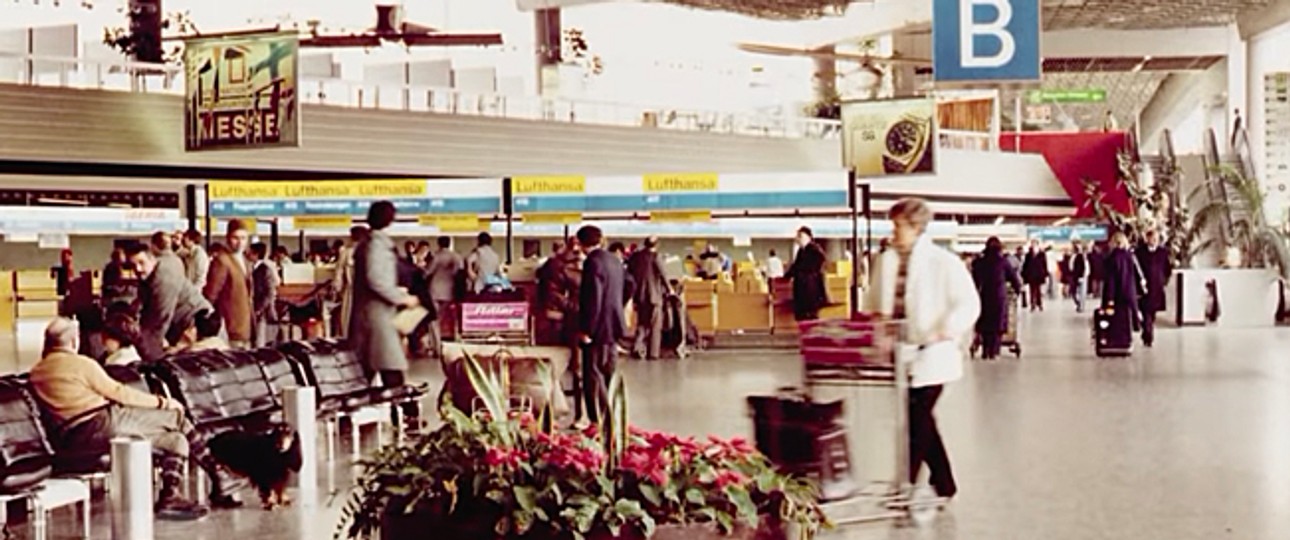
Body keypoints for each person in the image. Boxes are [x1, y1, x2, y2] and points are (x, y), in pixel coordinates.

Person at [29, 318, 241, 520]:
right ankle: (219, 475)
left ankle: (170, 496)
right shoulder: (81, 364)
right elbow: (119, 393)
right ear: (73, 341)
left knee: (176, 440)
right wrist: (163, 403)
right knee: (176, 416)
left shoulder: (37, 371)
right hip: (102, 422)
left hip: (74, 436)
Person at [866, 197, 979, 502]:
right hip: (901, 355)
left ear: (916, 227)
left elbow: (969, 303)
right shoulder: (886, 261)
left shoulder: (943, 262)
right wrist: (879, 328)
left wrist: (948, 328)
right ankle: (940, 483)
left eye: (899, 225)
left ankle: (907, 484)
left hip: (934, 352)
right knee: (917, 419)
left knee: (917, 418)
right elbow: (876, 304)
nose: (894, 231)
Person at [350, 202, 420, 425]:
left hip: (371, 316)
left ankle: (401, 415)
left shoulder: (368, 243)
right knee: (389, 367)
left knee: (367, 370)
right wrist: (402, 298)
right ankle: (407, 416)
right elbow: (376, 280)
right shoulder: (377, 246)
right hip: (377, 317)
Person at [127, 242, 213, 361]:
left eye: (142, 263)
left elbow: (159, 320)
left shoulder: (163, 279)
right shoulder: (148, 278)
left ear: (152, 260)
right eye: (133, 265)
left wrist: (149, 358)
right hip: (185, 327)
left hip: (200, 327)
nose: (137, 269)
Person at [577, 225, 627, 425]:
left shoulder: (592, 263)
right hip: (613, 326)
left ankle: (597, 420)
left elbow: (592, 298)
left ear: (580, 243)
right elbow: (629, 284)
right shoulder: (614, 260)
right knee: (609, 373)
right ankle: (612, 415)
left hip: (597, 328)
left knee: (593, 375)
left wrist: (587, 329)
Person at [203, 220, 254, 349]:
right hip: (230, 327)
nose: (240, 242)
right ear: (227, 238)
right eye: (235, 238)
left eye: (243, 238)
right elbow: (211, 294)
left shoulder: (245, 261)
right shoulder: (222, 260)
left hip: (246, 326)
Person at [971, 237, 1022, 360]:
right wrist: (1018, 290)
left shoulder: (980, 262)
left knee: (985, 323)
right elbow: (1014, 278)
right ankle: (994, 351)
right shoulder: (1003, 262)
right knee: (997, 325)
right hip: (999, 295)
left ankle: (985, 350)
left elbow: (975, 278)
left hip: (984, 295)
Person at [627, 236, 669, 361]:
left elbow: (629, 273)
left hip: (639, 295)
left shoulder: (635, 257)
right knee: (655, 324)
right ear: (657, 245)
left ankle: (637, 348)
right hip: (654, 295)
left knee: (642, 323)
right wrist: (670, 289)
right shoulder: (656, 257)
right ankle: (653, 353)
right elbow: (663, 275)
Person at [425, 236, 464, 358]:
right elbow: (461, 273)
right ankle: (442, 345)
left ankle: (437, 348)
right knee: (441, 319)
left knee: (433, 320)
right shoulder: (456, 257)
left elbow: (427, 272)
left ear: (439, 244)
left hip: (435, 291)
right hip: (449, 292)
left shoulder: (437, 256)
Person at [1102, 232, 1142, 347]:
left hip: (1115, 292)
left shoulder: (1111, 258)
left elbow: (1111, 279)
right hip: (1129, 291)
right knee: (1127, 317)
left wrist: (1109, 297)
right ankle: (1128, 339)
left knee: (1115, 317)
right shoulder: (1130, 257)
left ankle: (1116, 341)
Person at [1136, 229, 1172, 347]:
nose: (1154, 241)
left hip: (1157, 287)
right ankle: (1148, 336)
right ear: (1147, 239)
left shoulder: (1163, 252)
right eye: (1152, 238)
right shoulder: (1139, 252)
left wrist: (1164, 281)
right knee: (1146, 312)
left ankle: (1147, 331)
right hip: (1144, 287)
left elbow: (1167, 269)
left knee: (1153, 313)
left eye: (1156, 239)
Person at [786, 227, 828, 321]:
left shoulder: (814, 250)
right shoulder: (801, 251)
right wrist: (787, 275)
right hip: (803, 287)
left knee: (810, 314)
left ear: (808, 237)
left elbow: (818, 263)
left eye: (800, 236)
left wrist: (803, 271)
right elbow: (796, 266)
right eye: (797, 236)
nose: (798, 239)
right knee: (803, 315)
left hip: (811, 287)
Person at [334, 226, 368, 338]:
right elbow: (339, 273)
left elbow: (338, 274)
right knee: (348, 321)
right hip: (351, 290)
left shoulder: (369, 252)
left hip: (363, 292)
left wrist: (337, 289)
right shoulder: (346, 253)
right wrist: (338, 289)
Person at [248, 242, 281, 348]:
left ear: (256, 254)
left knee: (260, 341)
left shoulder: (264, 270)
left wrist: (259, 309)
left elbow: (269, 293)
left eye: (250, 252)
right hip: (258, 311)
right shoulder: (254, 268)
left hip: (263, 313)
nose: (248, 254)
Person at [1022, 240, 1049, 311]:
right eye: (1032, 243)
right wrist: (1024, 274)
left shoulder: (1041, 254)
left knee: (1038, 289)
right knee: (1032, 290)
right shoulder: (1028, 254)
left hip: (1039, 274)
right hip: (1031, 274)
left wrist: (1045, 273)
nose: (1033, 245)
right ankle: (1032, 304)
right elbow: (1025, 265)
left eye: (1035, 243)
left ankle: (1039, 303)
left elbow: (1044, 264)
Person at [1068, 241, 1090, 313]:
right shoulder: (1073, 256)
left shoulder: (1081, 256)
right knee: (1074, 292)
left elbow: (1083, 267)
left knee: (1082, 291)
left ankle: (1081, 306)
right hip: (1074, 275)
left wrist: (1082, 276)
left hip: (1081, 276)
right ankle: (1079, 304)